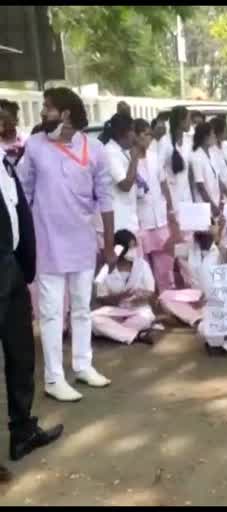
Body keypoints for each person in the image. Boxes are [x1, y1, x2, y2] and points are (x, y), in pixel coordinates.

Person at [18, 87, 114, 402]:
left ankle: (83, 366)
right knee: (50, 313)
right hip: (47, 243)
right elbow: (22, 194)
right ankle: (54, 378)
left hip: (82, 242)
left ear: (66, 113)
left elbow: (106, 198)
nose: (43, 113)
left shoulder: (96, 148)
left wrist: (110, 244)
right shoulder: (34, 146)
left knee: (82, 308)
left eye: (48, 107)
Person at [0, 143, 63, 475]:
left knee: (22, 356)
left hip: (12, 270)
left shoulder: (6, 163)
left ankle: (22, 431)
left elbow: (16, 212)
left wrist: (25, 264)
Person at [91, 229, 157, 345]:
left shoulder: (143, 265)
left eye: (135, 246)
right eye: (130, 248)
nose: (134, 251)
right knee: (93, 320)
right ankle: (137, 335)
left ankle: (114, 333)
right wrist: (119, 297)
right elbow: (100, 298)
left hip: (138, 310)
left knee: (143, 319)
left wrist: (142, 297)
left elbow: (151, 293)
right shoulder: (105, 269)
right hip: (115, 311)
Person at [135, 119, 177, 293]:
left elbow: (163, 184)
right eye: (145, 134)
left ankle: (168, 304)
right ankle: (147, 306)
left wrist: (170, 211)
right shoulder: (128, 160)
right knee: (142, 272)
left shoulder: (155, 157)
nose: (149, 138)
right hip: (140, 221)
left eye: (149, 134)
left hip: (159, 220)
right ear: (135, 136)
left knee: (165, 269)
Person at [102, 112, 140, 237]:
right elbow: (125, 185)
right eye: (133, 131)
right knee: (122, 255)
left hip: (129, 219)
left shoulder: (123, 151)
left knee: (134, 256)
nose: (135, 135)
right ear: (122, 133)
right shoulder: (110, 152)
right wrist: (134, 159)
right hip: (119, 224)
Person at [160, 106, 193, 209]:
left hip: (187, 196)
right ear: (181, 121)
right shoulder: (164, 141)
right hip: (172, 196)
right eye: (189, 119)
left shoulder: (189, 141)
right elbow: (159, 170)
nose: (190, 122)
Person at [190, 122, 222, 217]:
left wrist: (220, 199)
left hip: (216, 201)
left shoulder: (212, 153)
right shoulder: (196, 157)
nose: (214, 136)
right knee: (208, 230)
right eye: (212, 134)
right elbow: (201, 187)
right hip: (204, 205)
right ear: (205, 137)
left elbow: (217, 178)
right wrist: (212, 206)